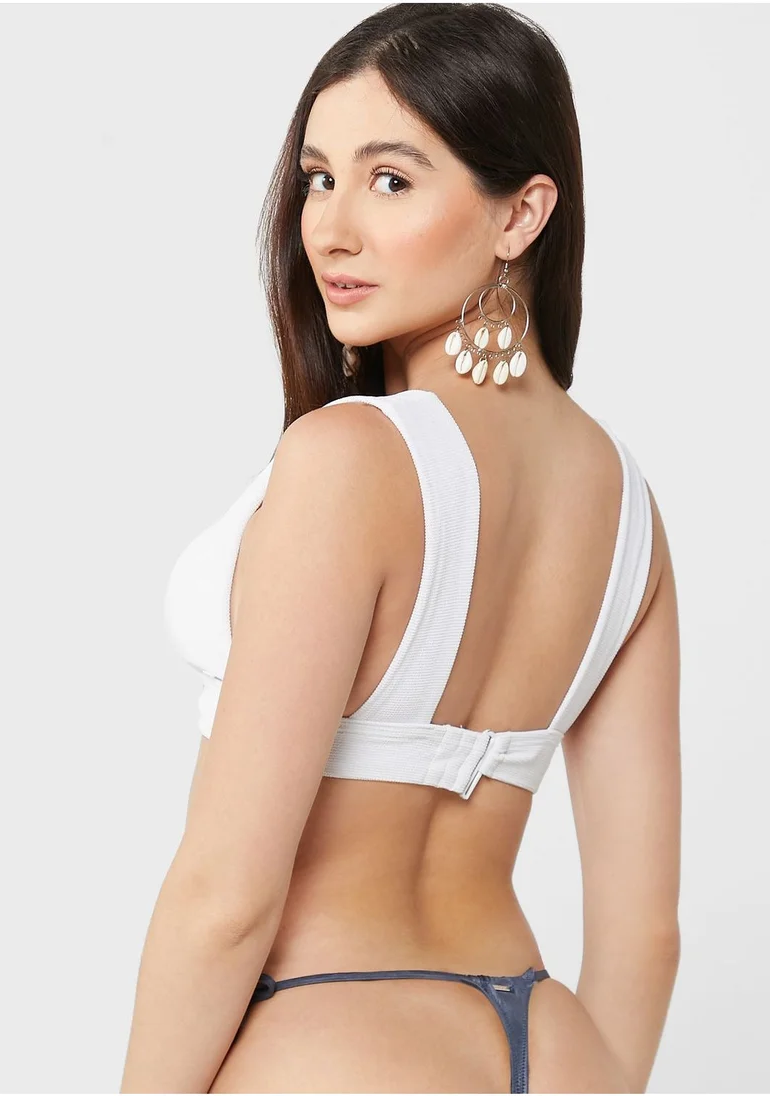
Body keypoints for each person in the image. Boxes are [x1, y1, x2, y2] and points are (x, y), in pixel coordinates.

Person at [120, 4, 681, 1092]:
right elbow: (644, 932)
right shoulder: (627, 509)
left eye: (388, 180)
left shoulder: (351, 459)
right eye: (317, 178)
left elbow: (224, 899)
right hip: (549, 1045)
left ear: (521, 214)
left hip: (335, 1040)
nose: (329, 229)